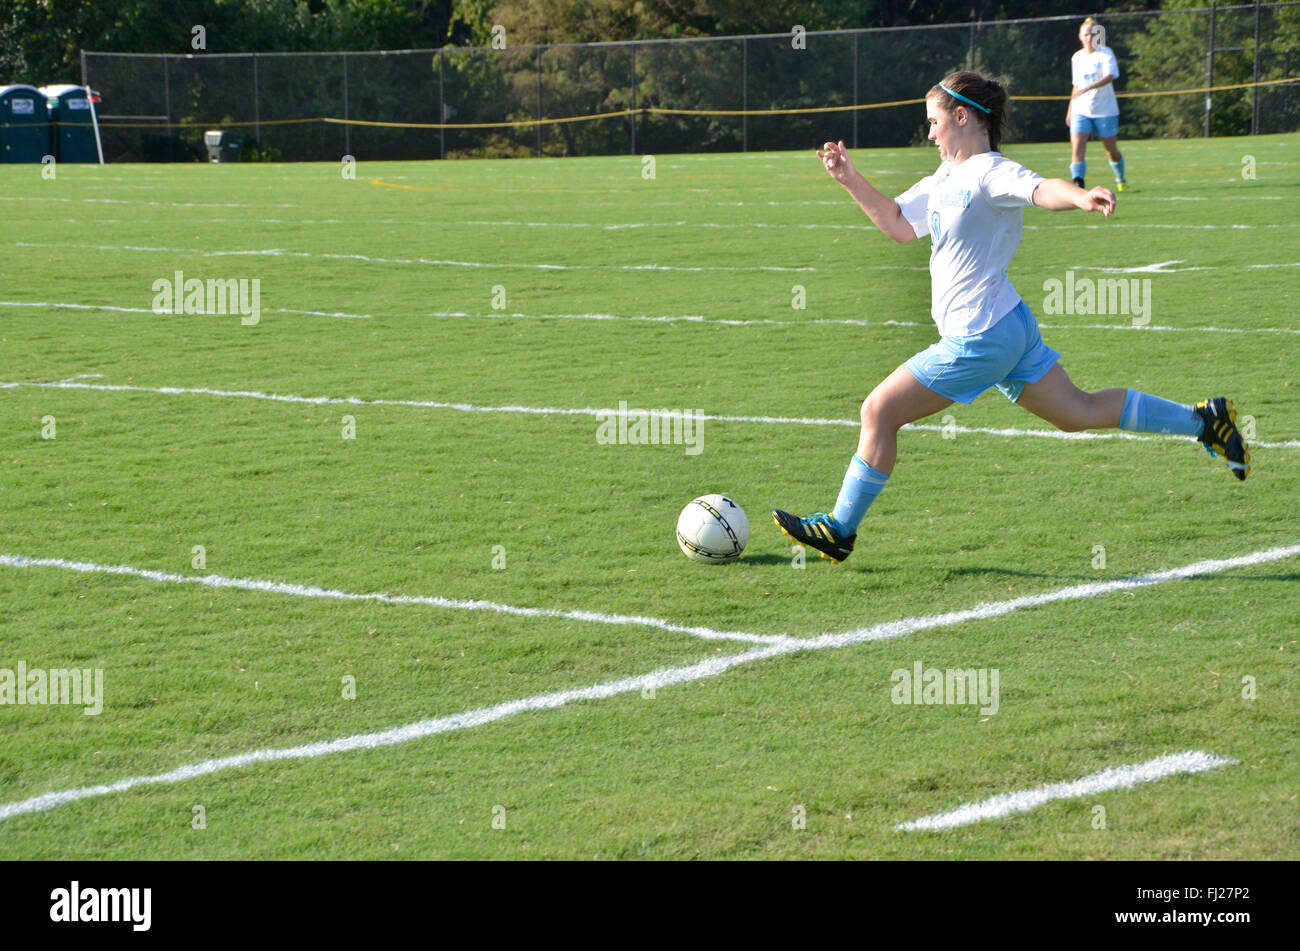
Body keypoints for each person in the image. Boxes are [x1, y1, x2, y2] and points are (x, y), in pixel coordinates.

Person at [772, 70, 1248, 565]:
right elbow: (896, 223)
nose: (930, 133)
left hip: (979, 338)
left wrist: (1080, 196)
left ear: (962, 116)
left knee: (878, 412)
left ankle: (839, 529)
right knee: (1078, 412)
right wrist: (849, 179)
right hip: (1008, 324)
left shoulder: (988, 171)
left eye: (934, 121)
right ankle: (1204, 421)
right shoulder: (944, 178)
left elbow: (1040, 189)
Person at [1068, 16, 1126, 191]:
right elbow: (1076, 85)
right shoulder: (1076, 57)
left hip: (1104, 109)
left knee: (1111, 149)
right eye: (1085, 34)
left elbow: (1110, 76)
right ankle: (1078, 184)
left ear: (1097, 35)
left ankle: (1120, 178)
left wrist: (1088, 88)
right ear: (1080, 36)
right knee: (1077, 146)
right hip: (1081, 109)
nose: (1089, 37)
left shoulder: (1105, 53)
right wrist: (1070, 109)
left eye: (1092, 34)